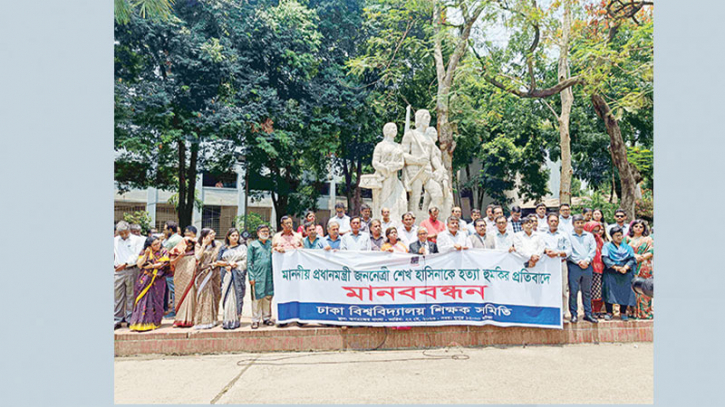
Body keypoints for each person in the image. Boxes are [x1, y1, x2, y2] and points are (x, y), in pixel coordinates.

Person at [128, 236, 171, 332]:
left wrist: (152, 266)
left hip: (158, 279)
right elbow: (139, 265)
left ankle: (155, 322)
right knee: (143, 300)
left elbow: (165, 262)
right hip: (145, 279)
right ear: (149, 246)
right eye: (154, 244)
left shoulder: (163, 251)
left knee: (157, 300)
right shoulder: (144, 252)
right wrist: (146, 255)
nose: (157, 246)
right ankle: (141, 323)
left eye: (158, 243)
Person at [567, 215, 598, 324]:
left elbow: (593, 249)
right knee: (573, 291)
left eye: (581, 222)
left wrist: (587, 260)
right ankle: (574, 314)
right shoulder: (568, 236)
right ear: (573, 224)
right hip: (574, 266)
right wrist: (578, 261)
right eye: (577, 222)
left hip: (587, 266)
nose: (580, 225)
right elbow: (568, 251)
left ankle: (588, 314)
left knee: (587, 291)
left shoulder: (589, 236)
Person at [601, 226, 637, 321]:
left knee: (624, 292)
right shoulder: (607, 246)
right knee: (609, 292)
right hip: (611, 271)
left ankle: (623, 312)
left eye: (620, 235)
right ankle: (609, 312)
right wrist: (616, 267)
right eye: (617, 235)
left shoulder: (627, 247)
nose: (619, 237)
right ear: (612, 236)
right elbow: (605, 258)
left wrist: (625, 267)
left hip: (625, 272)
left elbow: (631, 259)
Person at [541, 213, 573, 318]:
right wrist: (545, 250)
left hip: (561, 263)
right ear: (547, 222)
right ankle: (548, 312)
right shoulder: (542, 235)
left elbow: (569, 250)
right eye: (551, 221)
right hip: (547, 265)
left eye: (555, 221)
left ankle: (563, 313)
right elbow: (539, 248)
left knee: (563, 289)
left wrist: (557, 253)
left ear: (558, 222)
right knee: (547, 288)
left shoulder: (563, 234)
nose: (553, 223)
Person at [114, 221, 144, 329]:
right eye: (120, 233)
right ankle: (117, 318)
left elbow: (137, 255)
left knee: (131, 294)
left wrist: (126, 263)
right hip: (118, 270)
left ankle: (130, 318)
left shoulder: (137, 240)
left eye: (125, 233)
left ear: (129, 230)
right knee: (117, 295)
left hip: (131, 268)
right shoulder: (115, 240)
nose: (123, 235)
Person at [216, 228, 247, 330]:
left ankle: (235, 320)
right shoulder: (223, 248)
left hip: (237, 275)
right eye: (233, 235)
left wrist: (236, 264)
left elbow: (245, 261)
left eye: (236, 235)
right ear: (228, 237)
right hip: (226, 275)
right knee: (227, 297)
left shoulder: (242, 247)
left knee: (237, 296)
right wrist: (227, 264)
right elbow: (218, 261)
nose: (235, 237)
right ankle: (227, 320)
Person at [192, 228, 222, 329]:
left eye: (213, 233)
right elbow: (197, 257)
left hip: (214, 272)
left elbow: (219, 257)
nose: (213, 235)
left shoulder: (217, 245)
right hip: (203, 273)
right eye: (211, 234)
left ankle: (214, 319)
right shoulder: (198, 244)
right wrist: (204, 245)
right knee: (204, 295)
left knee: (215, 294)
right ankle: (202, 320)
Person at [625, 219, 654, 319]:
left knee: (645, 288)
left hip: (645, 266)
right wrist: (634, 256)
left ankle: (645, 313)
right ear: (632, 227)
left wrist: (642, 257)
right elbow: (623, 250)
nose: (638, 228)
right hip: (631, 265)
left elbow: (652, 251)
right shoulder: (627, 239)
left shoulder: (648, 239)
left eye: (641, 227)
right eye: (636, 226)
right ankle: (632, 312)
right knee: (632, 288)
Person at [168, 234, 198, 328]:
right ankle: (179, 319)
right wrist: (180, 257)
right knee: (179, 297)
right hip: (180, 279)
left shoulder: (195, 253)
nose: (189, 248)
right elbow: (171, 262)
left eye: (191, 246)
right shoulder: (176, 252)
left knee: (190, 296)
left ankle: (189, 319)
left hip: (190, 279)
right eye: (187, 245)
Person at [247, 224, 274, 329]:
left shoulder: (270, 244)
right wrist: (251, 277)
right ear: (258, 233)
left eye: (267, 231)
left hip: (269, 275)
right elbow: (249, 262)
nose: (265, 233)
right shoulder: (253, 245)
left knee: (268, 297)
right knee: (257, 298)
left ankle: (266, 318)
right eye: (263, 231)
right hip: (257, 275)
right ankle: (255, 320)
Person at [584, 221, 606, 318]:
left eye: (597, 230)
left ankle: (598, 310)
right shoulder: (584, 239)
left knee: (598, 291)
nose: (596, 232)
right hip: (587, 267)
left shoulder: (600, 240)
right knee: (589, 290)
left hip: (599, 268)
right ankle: (590, 311)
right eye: (594, 230)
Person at [161, 221, 183, 318]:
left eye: (165, 229)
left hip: (172, 269)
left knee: (174, 290)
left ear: (170, 230)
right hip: (181, 267)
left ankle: (174, 311)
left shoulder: (171, 241)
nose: (164, 231)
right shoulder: (180, 238)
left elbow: (163, 254)